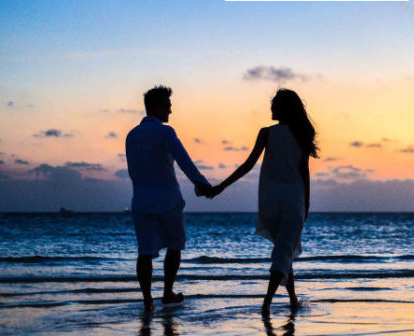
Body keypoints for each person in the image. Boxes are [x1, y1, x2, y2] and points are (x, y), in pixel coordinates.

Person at [209, 88, 318, 314]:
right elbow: (303, 171)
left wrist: (221, 187)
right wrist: (306, 203)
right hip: (294, 200)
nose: (270, 108)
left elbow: (248, 165)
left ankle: (293, 301)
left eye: (274, 104)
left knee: (284, 250)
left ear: (283, 108)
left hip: (270, 201)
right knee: (283, 252)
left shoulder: (266, 133)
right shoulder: (302, 133)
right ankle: (266, 304)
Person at [125, 85, 213, 312]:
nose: (170, 111)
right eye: (167, 106)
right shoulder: (166, 132)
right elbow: (183, 160)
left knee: (145, 252)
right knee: (174, 247)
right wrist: (201, 183)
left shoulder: (131, 135)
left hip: (141, 200)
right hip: (167, 199)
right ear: (156, 106)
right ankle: (167, 292)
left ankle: (147, 300)